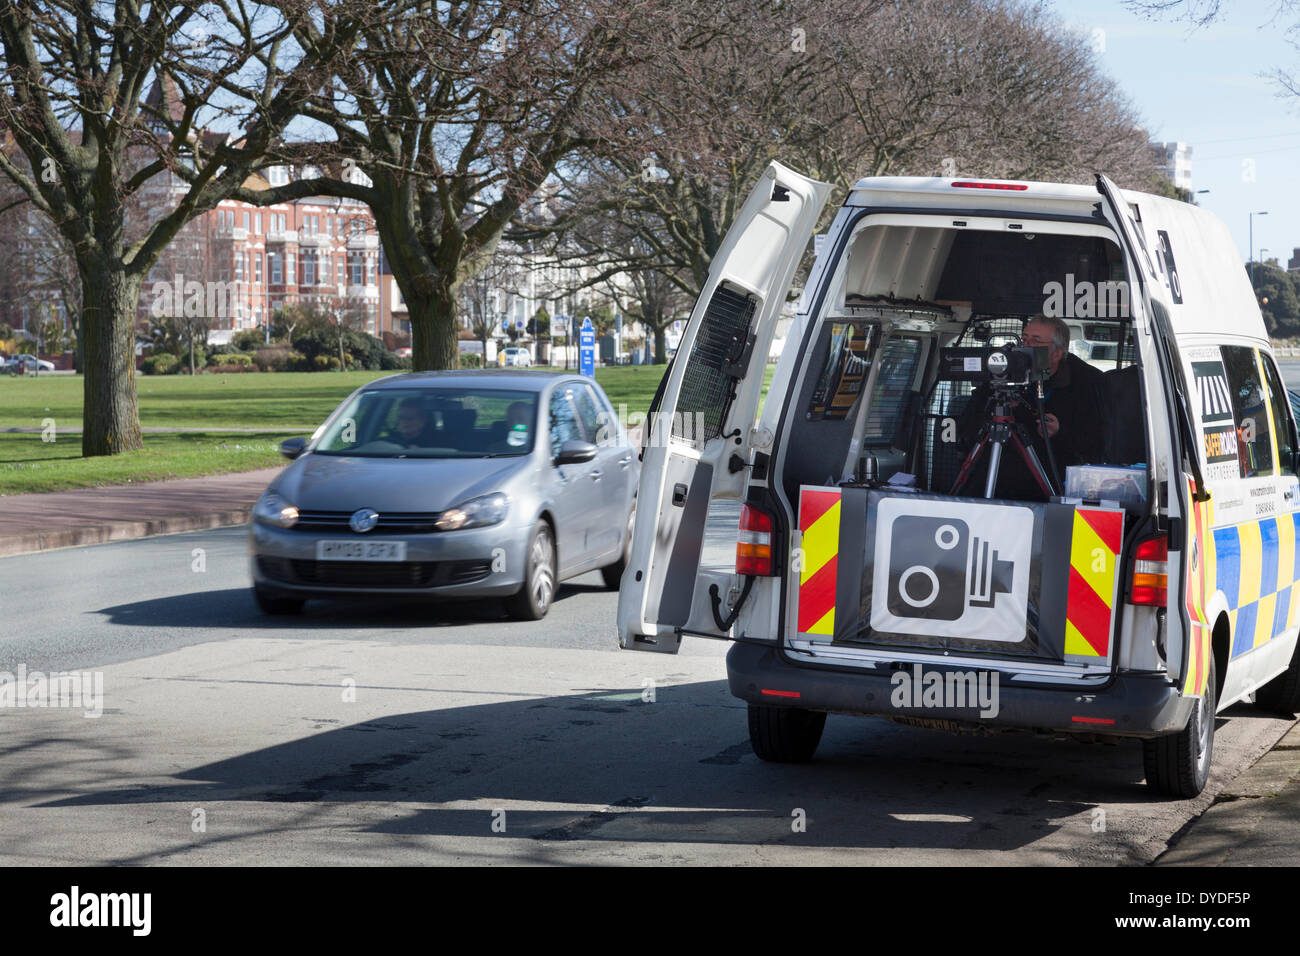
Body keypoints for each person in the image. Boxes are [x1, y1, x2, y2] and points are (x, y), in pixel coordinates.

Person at [956, 314, 1105, 500]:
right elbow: (967, 427)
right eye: (1024, 339)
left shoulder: (1085, 384)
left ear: (1057, 353)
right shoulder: (1000, 374)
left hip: (1050, 487)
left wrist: (1061, 431)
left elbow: (1097, 445)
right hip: (995, 482)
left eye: (1035, 341)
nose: (1025, 346)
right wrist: (995, 410)